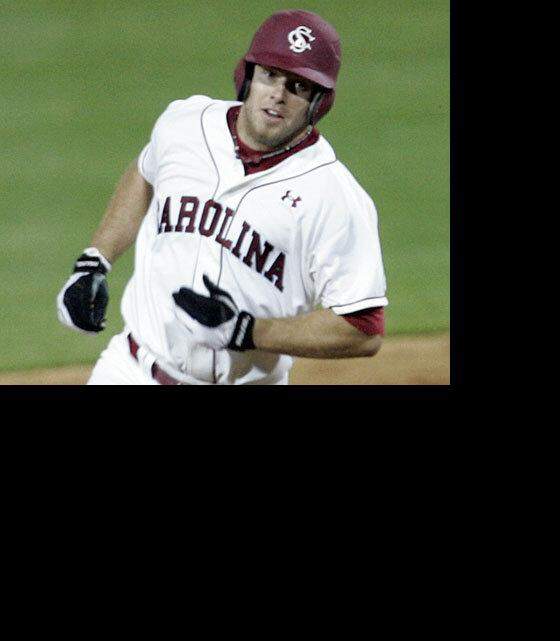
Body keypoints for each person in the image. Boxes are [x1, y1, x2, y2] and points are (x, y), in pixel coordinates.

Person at [56, 9, 388, 385]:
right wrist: (94, 262)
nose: (277, 95)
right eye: (270, 75)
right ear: (247, 76)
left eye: (298, 87)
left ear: (317, 102)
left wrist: (246, 330)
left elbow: (364, 327)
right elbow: (144, 172)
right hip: (131, 371)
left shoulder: (335, 196)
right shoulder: (185, 124)